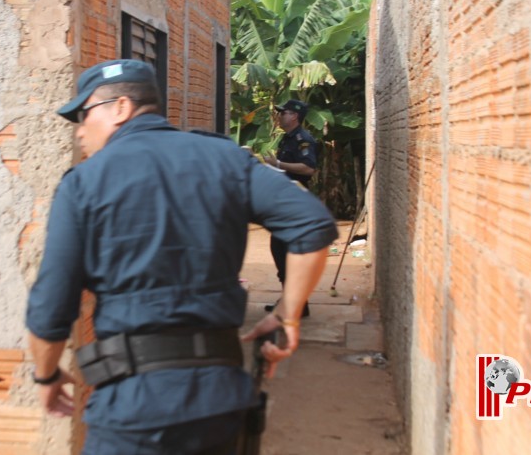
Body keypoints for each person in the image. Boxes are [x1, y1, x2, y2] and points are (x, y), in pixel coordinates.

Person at [26, 59, 336, 454]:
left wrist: (46, 375)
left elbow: (51, 306)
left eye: (84, 116)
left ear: (121, 108)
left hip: (134, 410)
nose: (80, 132)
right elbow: (312, 224)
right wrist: (288, 314)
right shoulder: (224, 158)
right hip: (220, 401)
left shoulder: (84, 183)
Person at [263, 99, 319, 318]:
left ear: (294, 116)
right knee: (282, 250)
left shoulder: (303, 140)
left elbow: (308, 168)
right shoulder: (288, 139)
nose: (280, 116)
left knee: (284, 250)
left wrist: (278, 164)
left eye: (283, 113)